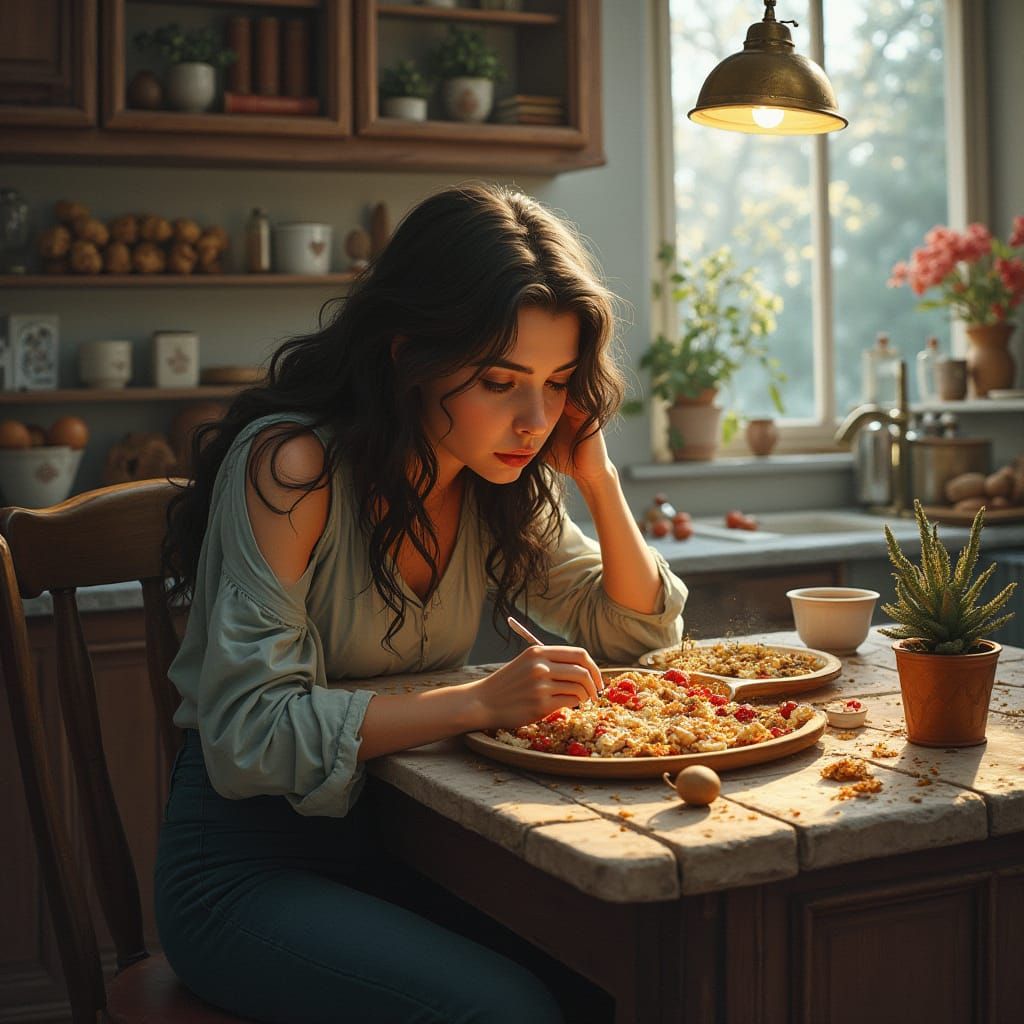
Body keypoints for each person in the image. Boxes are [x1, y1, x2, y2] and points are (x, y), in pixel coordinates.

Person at [156, 182, 688, 1024]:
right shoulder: (295, 468)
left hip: (417, 852)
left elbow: (635, 629)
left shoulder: (499, 476)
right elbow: (249, 730)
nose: (533, 418)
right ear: (410, 354)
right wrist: (478, 701)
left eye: (555, 384)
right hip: (247, 870)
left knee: (632, 974)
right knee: (509, 1011)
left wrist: (597, 475)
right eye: (500, 380)